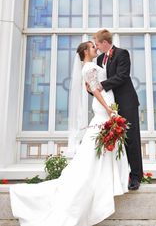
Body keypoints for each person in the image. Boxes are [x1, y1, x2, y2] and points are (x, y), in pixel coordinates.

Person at [10, 41, 129, 226]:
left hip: (107, 104)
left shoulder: (92, 66)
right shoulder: (88, 68)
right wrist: (108, 109)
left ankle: (110, 183)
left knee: (100, 147)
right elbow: (97, 91)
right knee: (97, 147)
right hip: (103, 107)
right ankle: (101, 185)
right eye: (92, 47)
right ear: (84, 52)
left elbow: (96, 86)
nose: (95, 48)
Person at [93, 29, 143, 190]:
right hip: (109, 105)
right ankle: (116, 177)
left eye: (98, 44)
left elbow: (122, 75)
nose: (96, 47)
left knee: (131, 139)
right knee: (111, 140)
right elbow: (99, 80)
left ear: (105, 43)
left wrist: (102, 86)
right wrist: (92, 88)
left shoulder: (122, 54)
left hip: (127, 102)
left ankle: (135, 176)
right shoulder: (100, 58)